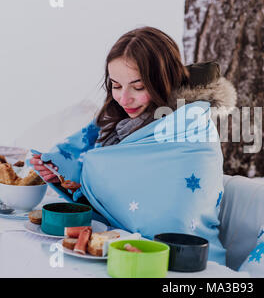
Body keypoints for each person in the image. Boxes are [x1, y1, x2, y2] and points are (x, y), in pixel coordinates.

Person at [28, 26, 237, 264]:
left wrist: (87, 175)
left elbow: (175, 210)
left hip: (188, 264)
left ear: (164, 80)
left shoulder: (191, 130)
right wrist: (68, 181)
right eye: (116, 85)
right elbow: (123, 197)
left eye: (138, 87)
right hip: (121, 253)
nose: (124, 98)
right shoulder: (116, 123)